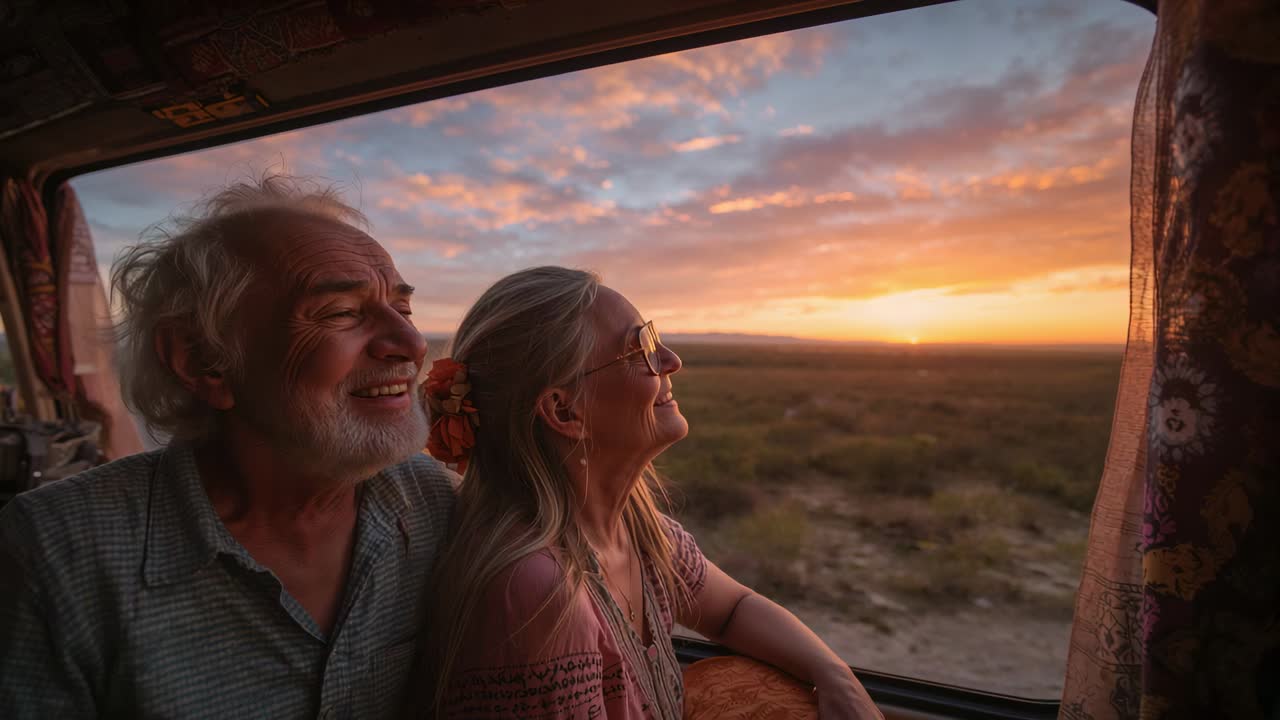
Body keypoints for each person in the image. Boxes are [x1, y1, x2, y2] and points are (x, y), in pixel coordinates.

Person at [0, 174, 455, 719]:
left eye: (402, 310)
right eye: (340, 313)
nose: (410, 345)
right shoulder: (58, 550)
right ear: (202, 360)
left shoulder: (436, 505)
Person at [415, 266, 883, 719]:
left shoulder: (636, 531)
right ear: (564, 410)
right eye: (640, 347)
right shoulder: (538, 593)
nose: (670, 360)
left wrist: (835, 676)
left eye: (653, 336)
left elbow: (732, 610)